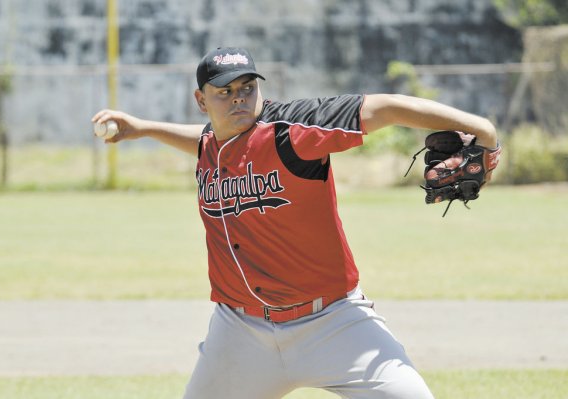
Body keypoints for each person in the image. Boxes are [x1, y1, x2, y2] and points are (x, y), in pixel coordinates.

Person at [92, 47, 497, 399]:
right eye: (225, 92)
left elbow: (384, 108)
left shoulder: (293, 131)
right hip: (240, 332)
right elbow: (201, 140)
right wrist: (142, 129)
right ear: (202, 100)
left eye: (247, 88)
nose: (239, 100)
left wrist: (482, 128)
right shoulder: (209, 145)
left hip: (334, 323)